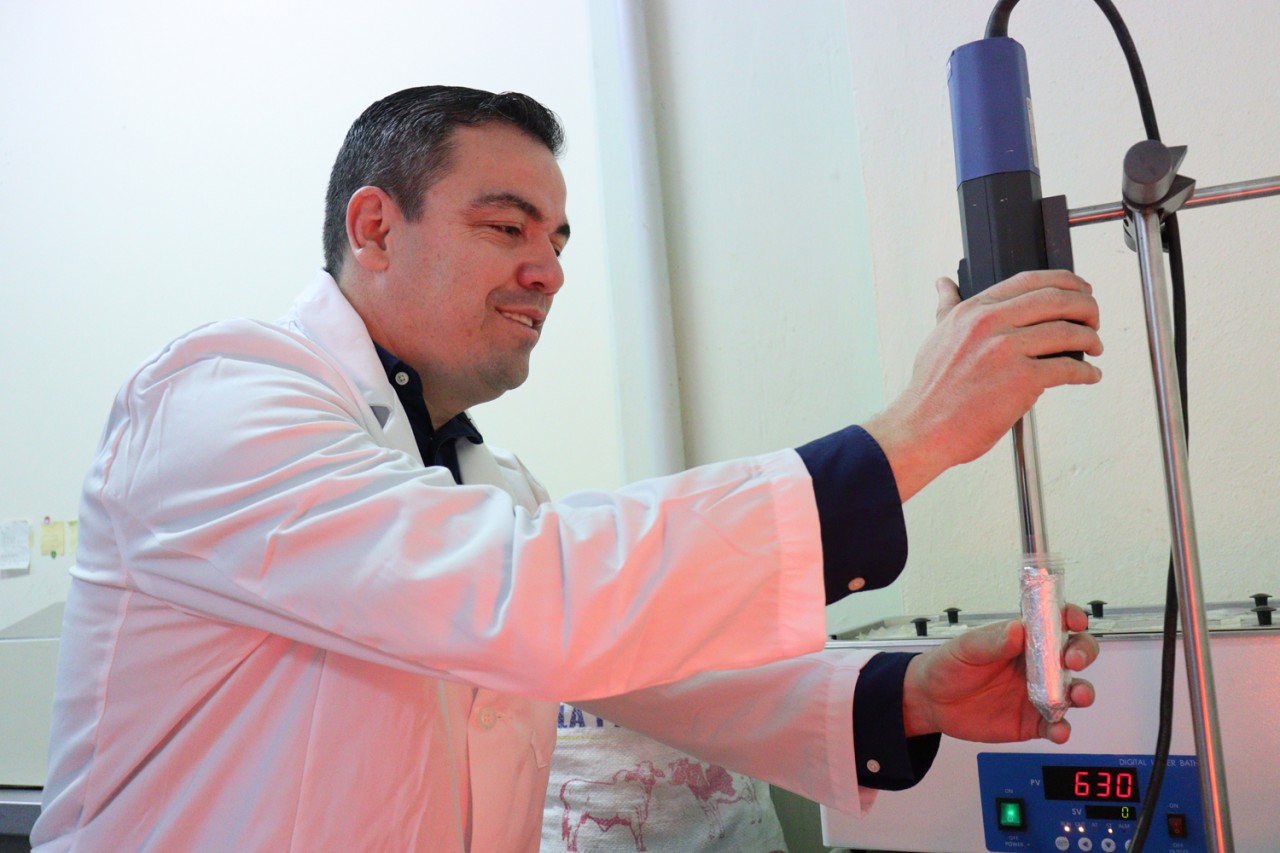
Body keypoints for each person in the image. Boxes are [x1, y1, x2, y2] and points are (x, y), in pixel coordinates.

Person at [32, 86, 1102, 852]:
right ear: (375, 228)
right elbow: (534, 595)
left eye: (557, 239)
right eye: (506, 226)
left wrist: (906, 694)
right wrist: (913, 434)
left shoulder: (482, 481)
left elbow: (645, 671)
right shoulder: (219, 397)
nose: (545, 269)